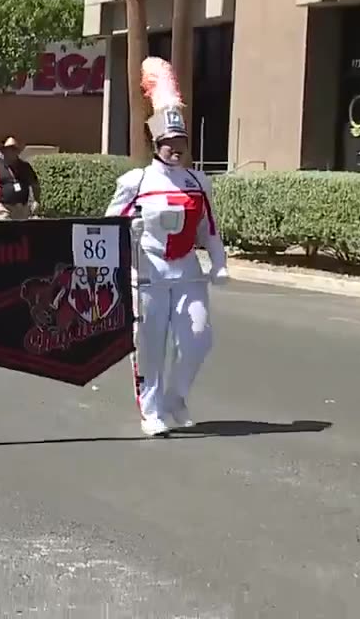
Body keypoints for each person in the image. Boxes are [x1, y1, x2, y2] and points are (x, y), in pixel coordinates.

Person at [106, 57, 229, 437]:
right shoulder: (137, 182)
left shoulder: (198, 181)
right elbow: (110, 225)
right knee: (150, 345)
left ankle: (176, 396)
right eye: (168, 143)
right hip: (148, 273)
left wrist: (219, 262)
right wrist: (130, 227)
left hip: (187, 270)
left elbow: (209, 228)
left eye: (181, 142)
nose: (176, 148)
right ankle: (152, 409)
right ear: (156, 144)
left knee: (198, 337)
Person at [0, 137, 40, 220]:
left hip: (21, 207)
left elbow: (35, 184)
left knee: (20, 231)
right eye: (9, 149)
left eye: (14, 149)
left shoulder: (25, 167)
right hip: (2, 207)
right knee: (5, 230)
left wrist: (36, 201)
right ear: (4, 151)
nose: (12, 152)